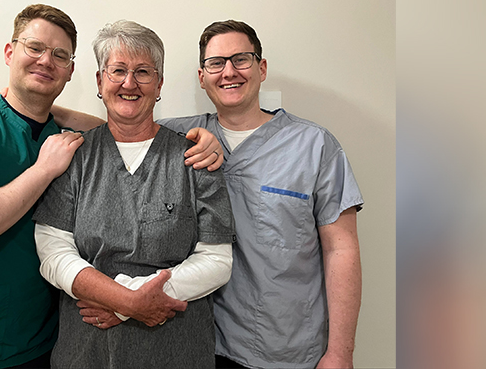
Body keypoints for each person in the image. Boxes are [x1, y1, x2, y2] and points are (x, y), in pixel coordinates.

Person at [0, 4, 225, 369]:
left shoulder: (72, 136)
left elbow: (126, 125)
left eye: (60, 55)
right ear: (10, 52)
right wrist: (43, 169)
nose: (46, 61)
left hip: (39, 340)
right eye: (34, 48)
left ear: (71, 71)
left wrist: (201, 138)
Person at [59, 20, 364, 369]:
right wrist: (40, 109)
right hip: (205, 341)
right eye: (216, 63)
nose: (229, 72)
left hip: (285, 346)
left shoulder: (314, 145)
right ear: (202, 77)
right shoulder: (183, 136)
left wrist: (341, 353)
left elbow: (342, 249)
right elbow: (124, 123)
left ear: (261, 68)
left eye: (242, 59)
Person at [32, 20, 236, 369]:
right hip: (86, 350)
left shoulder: (195, 156)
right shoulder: (73, 156)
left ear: (159, 84)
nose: (130, 83)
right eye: (118, 71)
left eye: (143, 72)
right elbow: (52, 252)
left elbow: (217, 261)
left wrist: (131, 301)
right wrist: (128, 301)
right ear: (99, 81)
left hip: (176, 350)